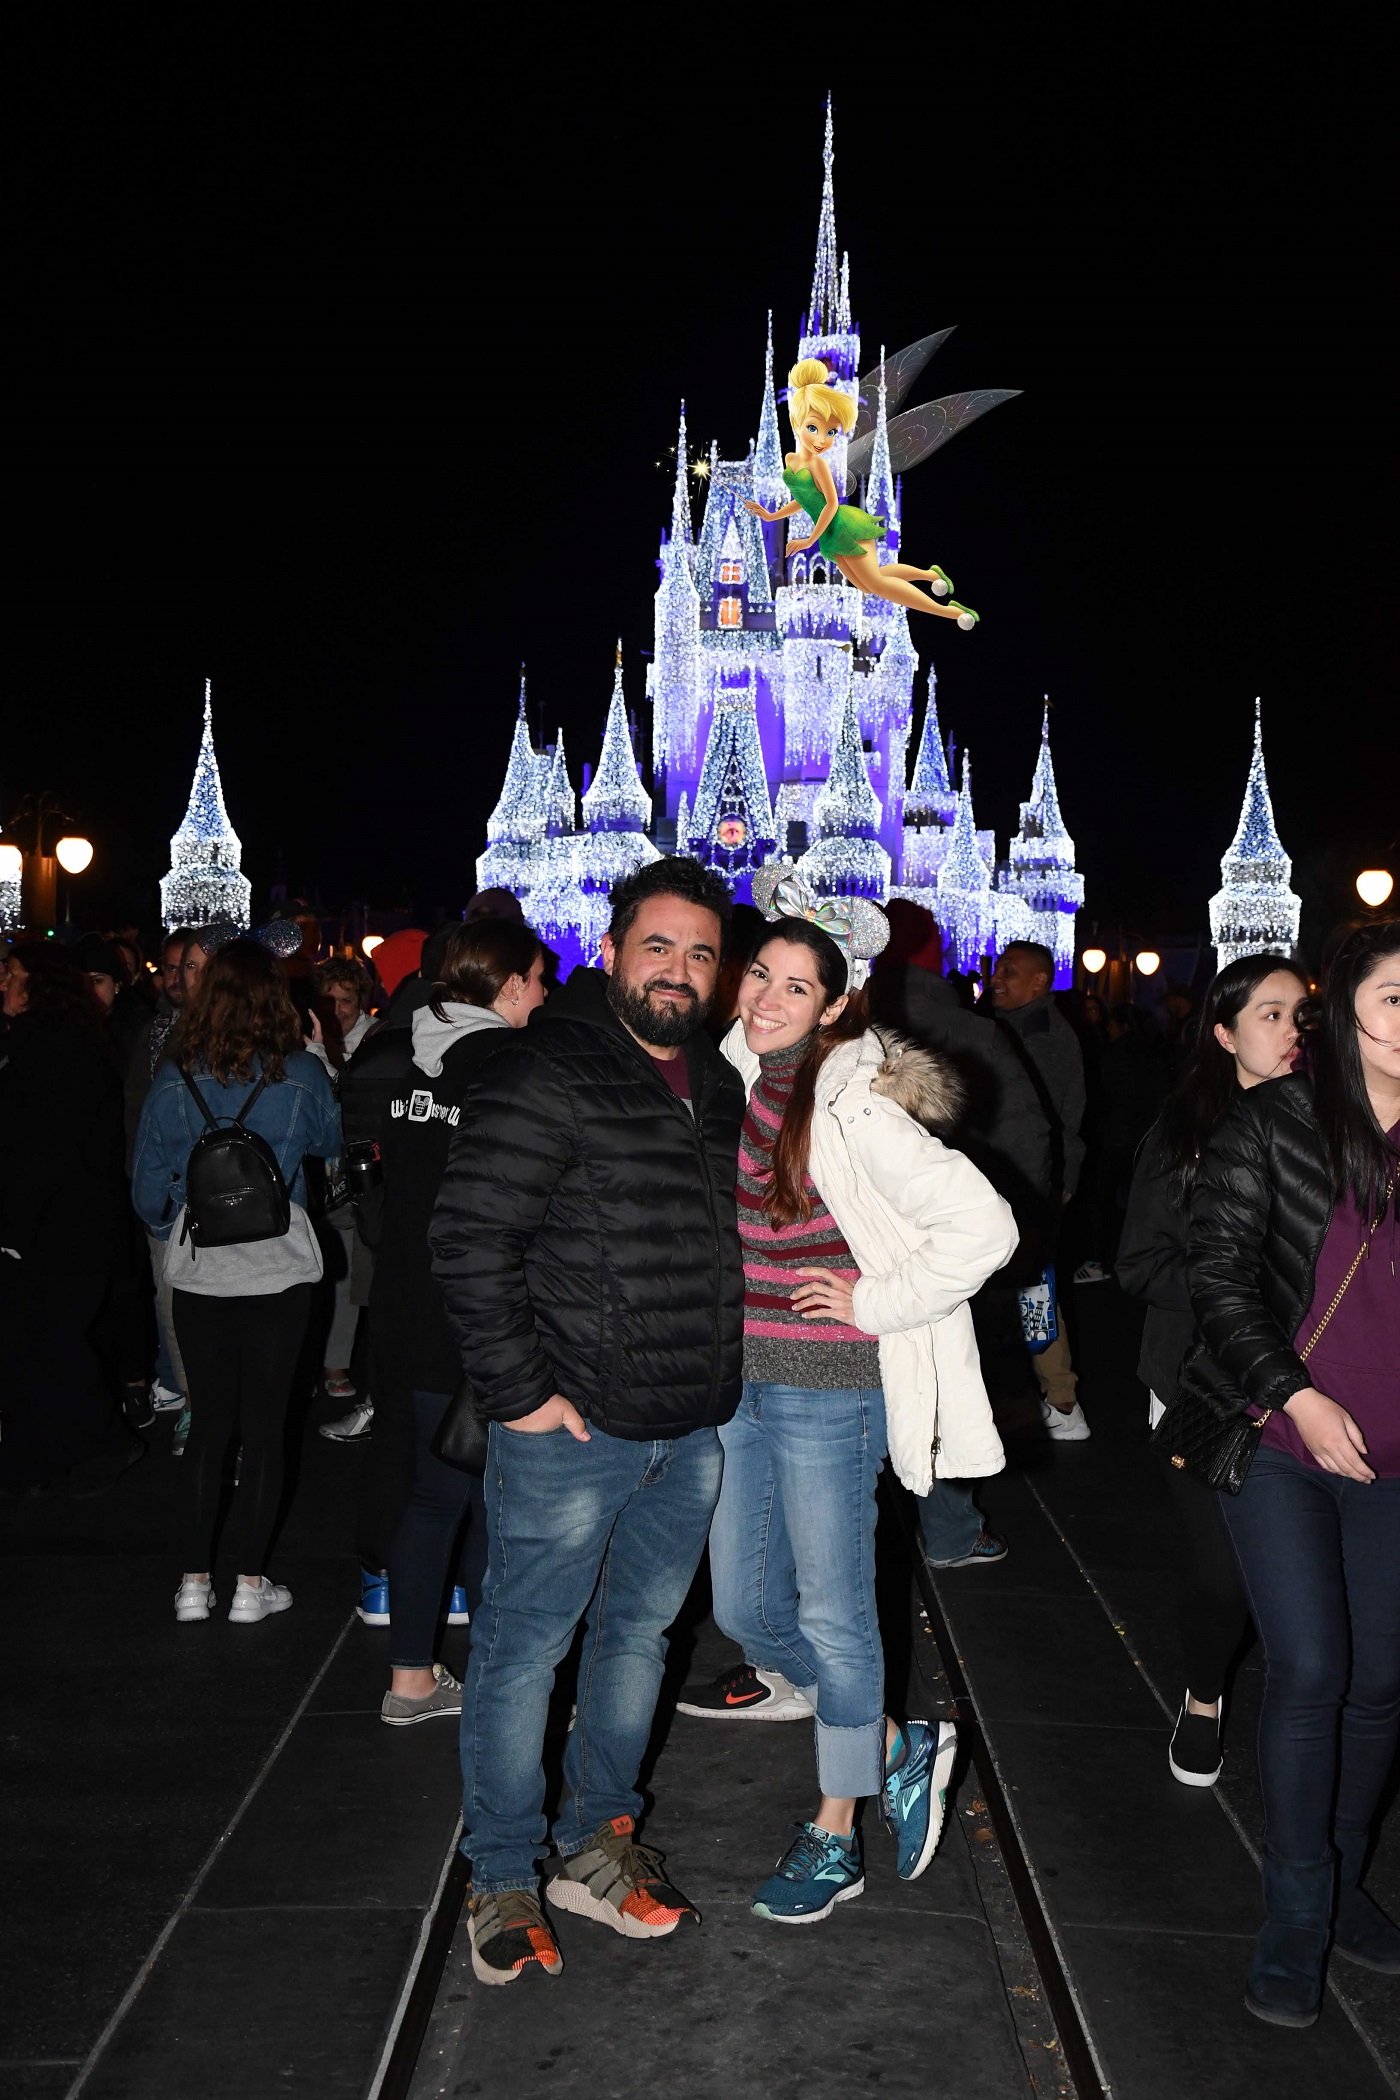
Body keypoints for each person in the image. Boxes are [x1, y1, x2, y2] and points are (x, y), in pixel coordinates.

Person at [428, 857, 743, 1987]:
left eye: (700, 953)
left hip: (687, 1428)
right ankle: (503, 1871)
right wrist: (521, 1394)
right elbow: (467, 1239)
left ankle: (595, 1846)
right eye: (657, 946)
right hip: (571, 1430)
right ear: (609, 951)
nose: (678, 970)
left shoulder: (712, 1083)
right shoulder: (545, 1067)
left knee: (638, 1643)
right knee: (523, 1652)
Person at [676, 893, 1017, 1921]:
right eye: (760, 976)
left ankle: (834, 1834)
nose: (769, 997)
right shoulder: (731, 1075)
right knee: (741, 1608)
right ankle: (888, 1741)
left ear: (834, 1007)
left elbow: (983, 1227)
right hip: (744, 1381)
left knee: (831, 1610)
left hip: (831, 1389)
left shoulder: (851, 1105)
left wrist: (873, 1300)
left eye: (797, 985)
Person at [1170, 921, 1400, 2028]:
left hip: (1397, 1465)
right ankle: (1294, 1911)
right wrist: (1295, 1395)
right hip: (1280, 1443)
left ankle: (1339, 1876)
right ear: (1345, 1006)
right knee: (1309, 1668)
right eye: (1395, 996)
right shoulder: (1274, 1121)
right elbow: (1213, 1275)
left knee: (1379, 1683)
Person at [1117, 956, 1308, 1787]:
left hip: (1315, 1385)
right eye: (1270, 1015)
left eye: (1302, 1014)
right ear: (1226, 1034)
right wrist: (1236, 1292)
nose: (1293, 1030)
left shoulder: (1336, 1126)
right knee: (1221, 1575)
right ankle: (1203, 1699)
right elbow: (1138, 1264)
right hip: (1202, 1384)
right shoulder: (1185, 1136)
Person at [132, 939, 341, 1625]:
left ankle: (194, 1583)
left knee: (209, 1425)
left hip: (204, 1274)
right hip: (279, 1272)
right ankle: (251, 1585)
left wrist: (185, 1217)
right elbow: (332, 1146)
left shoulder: (172, 1078)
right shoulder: (301, 1074)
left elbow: (146, 1192)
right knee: (266, 1427)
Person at [373, 920, 549, 1726]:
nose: (544, 994)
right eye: (539, 979)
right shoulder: (508, 1067)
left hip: (410, 1309)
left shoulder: (405, 1054)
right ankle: (499, 1687)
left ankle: (411, 1679)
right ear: (509, 985)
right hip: (484, 1316)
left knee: (433, 1499)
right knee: (497, 1505)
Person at [0, 942, 140, 1495]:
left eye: (11, 975)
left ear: (39, 985)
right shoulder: (55, 1042)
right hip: (66, 1222)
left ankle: (88, 1444)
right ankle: (67, 1450)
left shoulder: (50, 1049)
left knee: (45, 1340)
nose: (4, 984)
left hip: (57, 1226)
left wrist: (13, 1231)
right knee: (43, 1341)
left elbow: (41, 1151)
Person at [989, 939, 1090, 1439]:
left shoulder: (1043, 1036)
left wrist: (1054, 1187)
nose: (996, 979)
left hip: (1031, 1184)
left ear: (1039, 983)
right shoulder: (1015, 1030)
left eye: (1009, 972)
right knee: (1030, 1284)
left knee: (1034, 1287)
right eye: (996, 969)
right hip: (1028, 1182)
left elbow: (1045, 1123)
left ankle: (1061, 1399)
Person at [309, 958, 375, 1403]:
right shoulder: (308, 1038)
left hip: (350, 1180)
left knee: (348, 1276)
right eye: (329, 1000)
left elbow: (354, 1103)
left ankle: (335, 1363)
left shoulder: (374, 1039)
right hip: (315, 1174)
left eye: (345, 1001)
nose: (337, 1010)